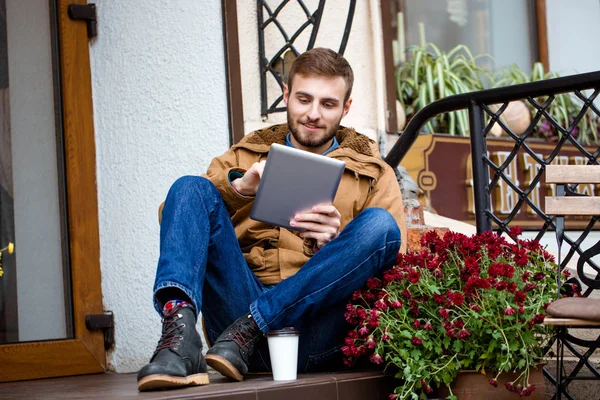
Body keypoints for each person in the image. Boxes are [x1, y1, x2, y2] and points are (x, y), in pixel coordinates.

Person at [137, 47, 407, 391]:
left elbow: (396, 264)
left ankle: (257, 321)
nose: (313, 114)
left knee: (380, 226)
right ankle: (179, 340)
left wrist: (335, 246)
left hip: (318, 331)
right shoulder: (246, 153)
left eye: (327, 104)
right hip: (232, 333)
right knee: (189, 186)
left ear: (346, 108)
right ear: (286, 96)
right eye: (304, 99)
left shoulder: (373, 172)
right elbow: (176, 216)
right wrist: (239, 189)